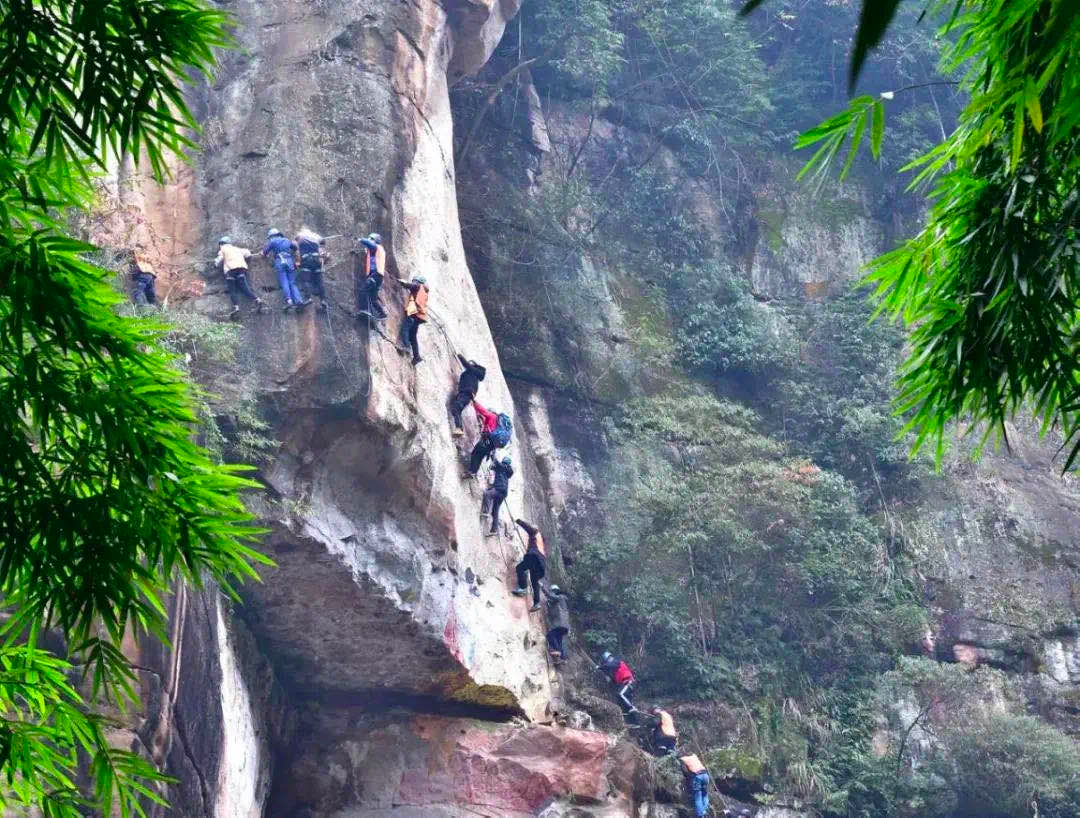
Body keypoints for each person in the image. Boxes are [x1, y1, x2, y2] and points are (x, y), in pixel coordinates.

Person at [215, 237, 264, 319]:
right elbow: (248, 253)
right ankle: (257, 299)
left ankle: (236, 308)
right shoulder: (238, 249)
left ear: (222, 243)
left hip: (230, 270)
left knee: (232, 289)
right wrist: (247, 260)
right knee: (244, 287)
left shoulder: (223, 249)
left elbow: (219, 260)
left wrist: (215, 264)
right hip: (241, 269)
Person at [261, 228, 308, 311]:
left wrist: (263, 254)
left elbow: (264, 252)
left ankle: (289, 301)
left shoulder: (272, 242)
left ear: (272, 236)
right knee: (292, 282)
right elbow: (294, 247)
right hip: (289, 260)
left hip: (280, 261)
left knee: (284, 281)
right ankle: (299, 300)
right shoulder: (287, 240)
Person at [511, 518, 546, 611]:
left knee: (519, 568)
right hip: (541, 564)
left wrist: (518, 521)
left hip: (534, 557)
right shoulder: (540, 540)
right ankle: (537, 603)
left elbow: (528, 528)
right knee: (534, 582)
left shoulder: (535, 532)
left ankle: (523, 588)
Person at [450, 355, 486, 437]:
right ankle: (459, 428)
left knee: (456, 407)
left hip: (466, 393)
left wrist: (461, 357)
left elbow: (467, 365)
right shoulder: (471, 375)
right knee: (456, 409)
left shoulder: (474, 372)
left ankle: (459, 428)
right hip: (465, 394)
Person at [295, 227, 328, 311]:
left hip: (306, 260)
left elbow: (296, 246)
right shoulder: (315, 235)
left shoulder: (300, 236)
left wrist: (298, 261)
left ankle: (308, 297)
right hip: (317, 260)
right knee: (319, 280)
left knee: (306, 280)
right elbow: (323, 241)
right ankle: (323, 300)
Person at [397, 275, 428, 365]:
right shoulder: (424, 291)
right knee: (413, 336)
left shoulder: (418, 286)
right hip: (420, 316)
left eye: (414, 281)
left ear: (418, 282)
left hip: (413, 312)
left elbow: (411, 286)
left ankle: (406, 346)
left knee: (405, 329)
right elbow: (413, 289)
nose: (413, 282)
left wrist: (403, 283)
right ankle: (416, 356)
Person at [355, 232, 386, 319]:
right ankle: (382, 313)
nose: (369, 240)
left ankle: (364, 309)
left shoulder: (376, 247)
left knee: (363, 289)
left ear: (375, 240)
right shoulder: (377, 250)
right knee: (373, 298)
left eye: (371, 239)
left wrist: (361, 239)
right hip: (379, 276)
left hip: (375, 274)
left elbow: (370, 244)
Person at [481, 456, 513, 537]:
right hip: (503, 493)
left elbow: (496, 463)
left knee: (487, 494)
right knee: (495, 510)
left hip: (499, 489)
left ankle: (485, 511)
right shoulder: (506, 470)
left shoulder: (502, 466)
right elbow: (493, 467)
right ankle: (494, 530)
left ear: (504, 462)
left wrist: (492, 455)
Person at [467, 400, 499, 475]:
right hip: (491, 445)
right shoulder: (497, 422)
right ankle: (473, 472)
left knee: (475, 453)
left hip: (486, 440)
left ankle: (471, 471)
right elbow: (484, 419)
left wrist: (475, 403)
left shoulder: (492, 416)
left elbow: (483, 411)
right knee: (480, 457)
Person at [542, 584, 570, 660]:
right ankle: (562, 658)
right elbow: (552, 610)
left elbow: (551, 597)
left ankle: (557, 651)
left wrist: (542, 588)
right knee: (558, 639)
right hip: (564, 626)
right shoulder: (559, 602)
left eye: (552, 592)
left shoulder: (561, 597)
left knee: (550, 635)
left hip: (560, 624)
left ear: (555, 592)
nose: (552, 593)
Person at [679, 753, 710, 818]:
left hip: (698, 776)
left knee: (698, 796)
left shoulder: (683, 759)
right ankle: (705, 811)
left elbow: (685, 771)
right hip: (706, 776)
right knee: (705, 795)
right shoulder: (694, 756)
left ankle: (701, 815)